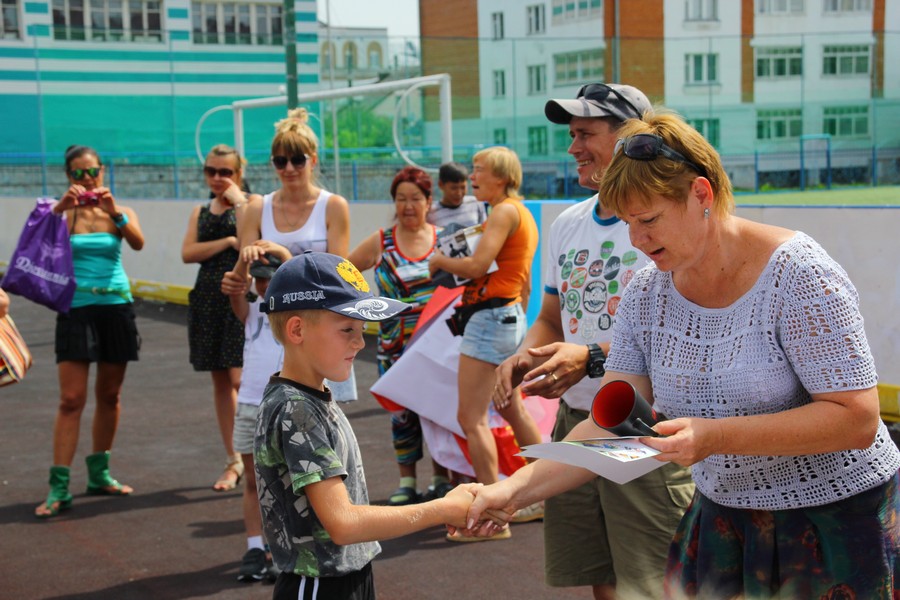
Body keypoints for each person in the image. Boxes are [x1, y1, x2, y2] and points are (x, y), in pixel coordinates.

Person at [466, 111, 900, 599]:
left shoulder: (799, 275)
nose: (637, 240)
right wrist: (512, 490)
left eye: (649, 220)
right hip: (724, 516)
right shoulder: (646, 293)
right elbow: (613, 423)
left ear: (701, 194)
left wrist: (715, 436)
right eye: (628, 223)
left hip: (834, 521)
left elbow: (857, 419)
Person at [492, 84, 694, 599]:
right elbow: (554, 317)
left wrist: (591, 357)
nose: (573, 147)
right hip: (576, 421)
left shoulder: (662, 225)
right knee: (600, 575)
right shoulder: (567, 224)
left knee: (654, 583)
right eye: (571, 135)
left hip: (644, 426)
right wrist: (524, 354)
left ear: (632, 136)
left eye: (585, 133)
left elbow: (681, 335)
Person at [254, 252, 477, 599]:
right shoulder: (296, 409)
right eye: (347, 330)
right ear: (296, 329)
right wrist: (443, 509)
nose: (360, 343)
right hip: (318, 586)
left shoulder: (311, 397)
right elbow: (343, 524)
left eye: (361, 331)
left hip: (344, 577)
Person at [428, 146, 542, 541]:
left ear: (502, 176)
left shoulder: (503, 212)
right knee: (512, 408)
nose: (472, 176)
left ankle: (491, 516)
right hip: (507, 315)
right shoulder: (520, 213)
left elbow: (477, 267)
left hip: (490, 319)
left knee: (472, 418)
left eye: (479, 170)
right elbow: (523, 281)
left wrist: (441, 261)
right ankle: (543, 496)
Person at [36, 144, 145, 518]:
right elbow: (40, 246)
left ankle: (99, 474)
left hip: (116, 306)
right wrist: (60, 210)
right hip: (76, 309)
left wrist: (114, 213)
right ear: (69, 177)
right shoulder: (62, 213)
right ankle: (59, 486)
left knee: (110, 394)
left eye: (92, 172)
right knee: (71, 398)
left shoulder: (119, 210)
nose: (87, 180)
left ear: (102, 171)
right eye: (79, 174)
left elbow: (137, 242)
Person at [227, 107, 357, 402]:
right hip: (274, 324)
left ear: (312, 160)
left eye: (297, 160)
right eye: (280, 161)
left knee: (321, 427)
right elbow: (246, 270)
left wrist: (285, 257)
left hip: (321, 324)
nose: (289, 168)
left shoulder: (333, 205)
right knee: (262, 420)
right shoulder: (258, 206)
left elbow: (339, 276)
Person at [348, 166, 452, 505]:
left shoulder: (444, 239)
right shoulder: (382, 240)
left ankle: (441, 477)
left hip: (437, 349)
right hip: (394, 348)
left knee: (438, 414)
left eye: (415, 199)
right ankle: (407, 480)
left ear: (428, 201)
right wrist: (363, 308)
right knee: (402, 415)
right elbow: (344, 272)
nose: (408, 206)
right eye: (401, 199)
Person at [182, 143, 261, 492]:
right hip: (208, 298)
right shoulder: (200, 211)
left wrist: (240, 202)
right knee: (220, 380)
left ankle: (257, 454)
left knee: (241, 380)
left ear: (238, 173)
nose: (217, 178)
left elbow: (255, 240)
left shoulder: (253, 204)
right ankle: (233, 459)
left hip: (239, 297)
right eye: (211, 171)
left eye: (225, 172)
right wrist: (227, 240)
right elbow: (189, 252)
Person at [225, 250, 289, 583]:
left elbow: (295, 274)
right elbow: (235, 288)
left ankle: (285, 548)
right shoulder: (250, 311)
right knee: (253, 481)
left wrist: (283, 254)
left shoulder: (295, 312)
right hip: (251, 404)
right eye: (260, 278)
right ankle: (255, 547)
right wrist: (243, 261)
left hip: (285, 404)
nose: (264, 285)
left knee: (286, 481)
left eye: (271, 277)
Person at [427, 161, 487, 232]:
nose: (459, 193)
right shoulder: (431, 213)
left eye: (463, 187)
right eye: (454, 188)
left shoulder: (475, 203)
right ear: (441, 185)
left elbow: (485, 230)